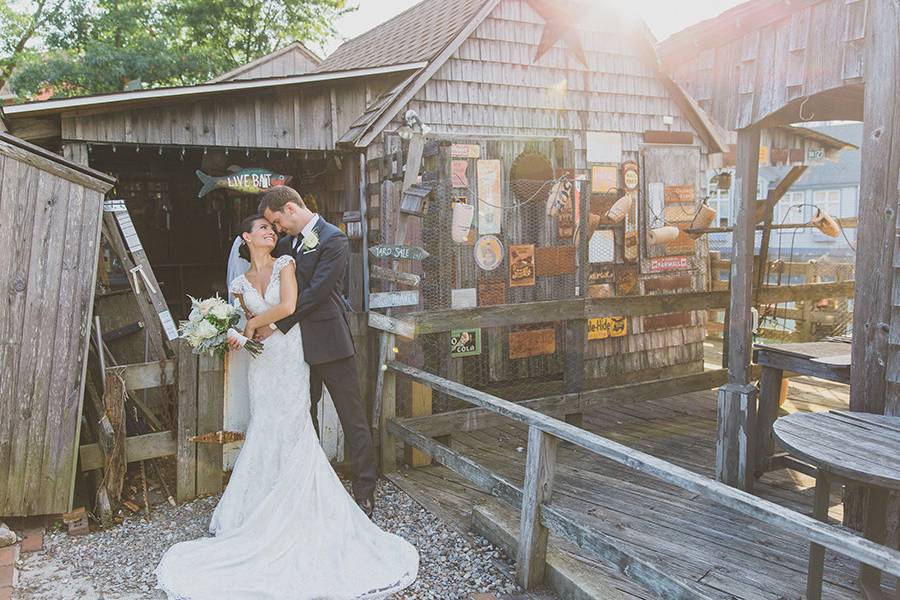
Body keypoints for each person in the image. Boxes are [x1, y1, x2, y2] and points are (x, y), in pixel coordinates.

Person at [155, 214, 418, 600]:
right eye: (265, 228)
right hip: (264, 360)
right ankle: (262, 505)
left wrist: (255, 325)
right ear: (246, 237)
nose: (272, 232)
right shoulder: (240, 281)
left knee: (319, 418)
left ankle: (355, 492)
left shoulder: (297, 257)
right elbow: (243, 317)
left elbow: (295, 302)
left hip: (298, 347)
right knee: (267, 424)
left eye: (274, 226)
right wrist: (231, 331)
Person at [257, 186, 377, 515]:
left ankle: (365, 490)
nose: (277, 228)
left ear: (292, 208)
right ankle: (311, 485)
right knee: (301, 417)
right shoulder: (285, 243)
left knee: (352, 417)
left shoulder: (333, 239)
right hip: (295, 348)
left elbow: (318, 292)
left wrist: (276, 322)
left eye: (277, 220)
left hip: (330, 342)